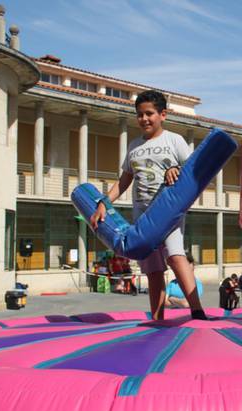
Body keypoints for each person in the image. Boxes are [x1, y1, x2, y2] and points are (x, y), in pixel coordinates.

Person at [90, 90, 206, 321]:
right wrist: (104, 203)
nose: (144, 119)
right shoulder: (134, 146)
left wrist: (177, 170)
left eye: (149, 114)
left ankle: (197, 310)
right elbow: (124, 180)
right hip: (143, 213)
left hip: (168, 210)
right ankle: (157, 318)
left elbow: (193, 168)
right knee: (153, 269)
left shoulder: (174, 140)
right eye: (140, 115)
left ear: (163, 114)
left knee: (175, 255)